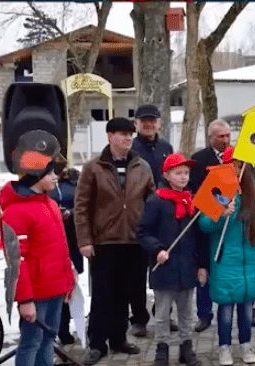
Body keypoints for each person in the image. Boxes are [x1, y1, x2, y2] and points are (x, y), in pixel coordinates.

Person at [75, 117, 155, 365]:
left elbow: (151, 202)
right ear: (109, 136)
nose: (127, 138)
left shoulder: (142, 166)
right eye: (122, 134)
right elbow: (81, 207)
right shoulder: (93, 167)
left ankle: (118, 339)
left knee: (126, 294)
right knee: (102, 296)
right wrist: (85, 240)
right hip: (104, 242)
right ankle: (97, 343)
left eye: (130, 135)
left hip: (134, 241)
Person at [197, 156, 255, 366]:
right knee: (225, 309)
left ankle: (246, 344)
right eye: (231, 166)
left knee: (247, 308)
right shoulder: (216, 190)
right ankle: (224, 347)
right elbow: (203, 225)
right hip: (224, 262)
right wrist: (220, 214)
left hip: (249, 262)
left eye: (239, 166)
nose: (235, 170)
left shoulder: (254, 196)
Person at [0, 158, 74, 366]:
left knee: (49, 339)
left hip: (55, 288)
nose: (55, 177)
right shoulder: (15, 212)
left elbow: (60, 248)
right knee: (31, 342)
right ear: (37, 177)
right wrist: (25, 299)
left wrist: (67, 280)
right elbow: (16, 261)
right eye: (50, 174)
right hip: (35, 293)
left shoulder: (49, 204)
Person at [137, 153, 201, 366]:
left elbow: (198, 236)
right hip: (165, 267)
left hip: (187, 267)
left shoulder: (191, 201)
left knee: (186, 313)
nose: (183, 177)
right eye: (178, 173)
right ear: (167, 175)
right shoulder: (156, 200)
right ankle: (162, 348)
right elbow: (143, 232)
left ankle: (186, 347)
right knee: (163, 314)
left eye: (186, 173)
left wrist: (201, 265)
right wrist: (157, 250)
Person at [131, 103, 176, 336]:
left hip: (165, 215)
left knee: (164, 267)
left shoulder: (166, 147)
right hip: (139, 215)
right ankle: (138, 318)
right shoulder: (131, 147)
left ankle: (164, 313)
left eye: (153, 120)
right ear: (136, 123)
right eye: (144, 120)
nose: (149, 124)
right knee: (138, 272)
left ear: (159, 122)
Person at [188, 119, 231, 332]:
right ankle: (204, 314)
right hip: (206, 223)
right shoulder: (198, 160)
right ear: (210, 137)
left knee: (230, 267)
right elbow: (193, 191)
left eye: (227, 136)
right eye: (220, 136)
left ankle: (243, 310)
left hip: (231, 224)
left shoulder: (237, 159)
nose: (225, 140)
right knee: (204, 268)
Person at [50, 167, 84, 345]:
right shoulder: (75, 189)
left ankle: (62, 329)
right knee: (67, 289)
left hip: (63, 244)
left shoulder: (56, 190)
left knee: (64, 289)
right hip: (68, 245)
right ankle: (63, 329)